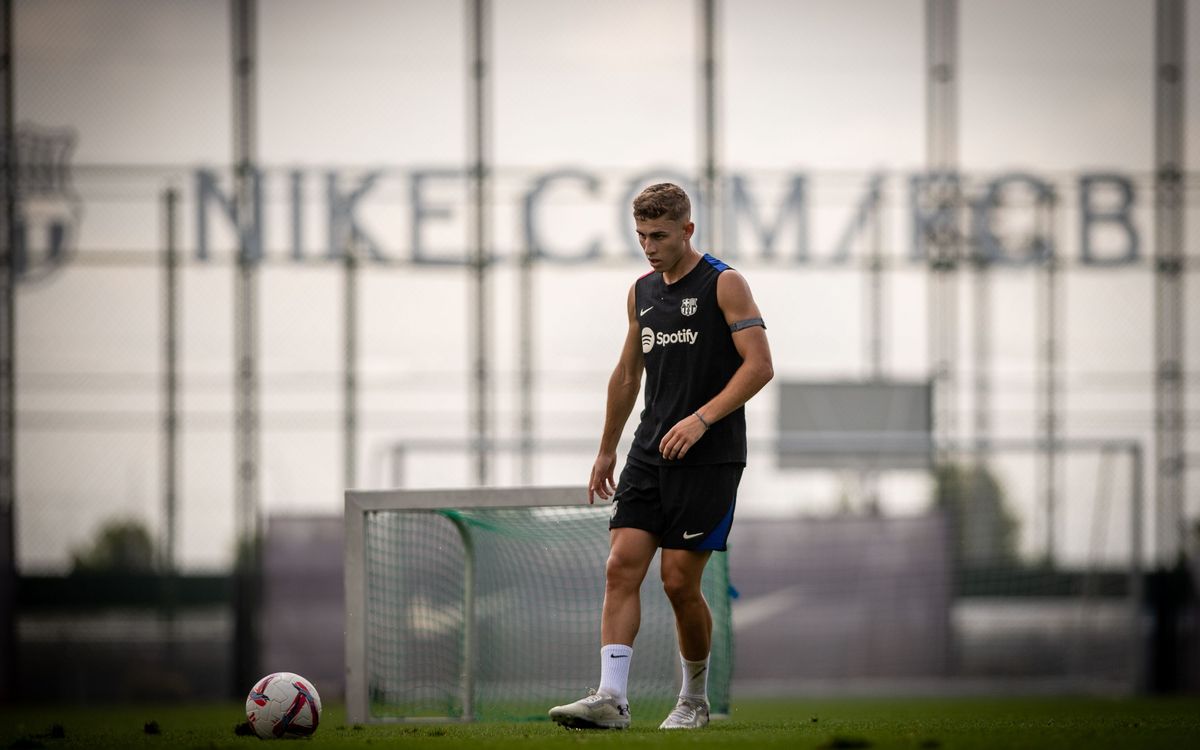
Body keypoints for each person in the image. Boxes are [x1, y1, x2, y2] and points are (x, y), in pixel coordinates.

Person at [549, 183, 773, 730]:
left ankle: (693, 700)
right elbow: (628, 374)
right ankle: (611, 699)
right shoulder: (641, 292)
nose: (649, 246)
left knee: (678, 582)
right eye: (641, 236)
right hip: (649, 453)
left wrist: (701, 419)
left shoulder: (725, 283)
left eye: (660, 235)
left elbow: (759, 365)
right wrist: (607, 448)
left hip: (710, 455)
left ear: (687, 230)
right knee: (620, 567)